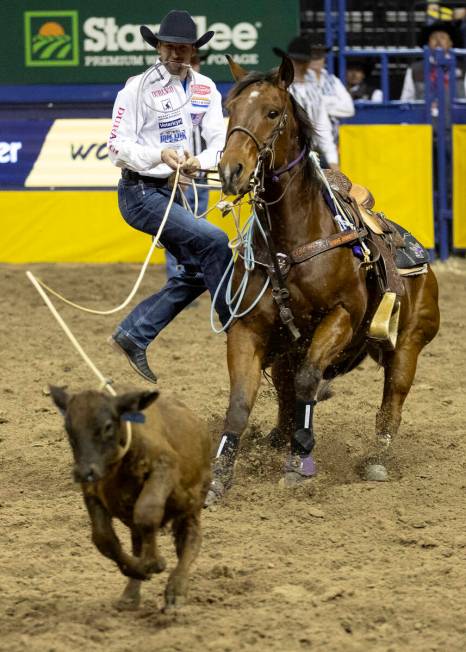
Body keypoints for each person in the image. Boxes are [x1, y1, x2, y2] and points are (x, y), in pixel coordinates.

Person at [107, 10, 231, 383]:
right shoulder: (136, 89)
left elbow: (220, 142)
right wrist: (159, 156)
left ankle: (134, 334)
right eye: (171, 47)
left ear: (194, 51)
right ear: (159, 48)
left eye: (184, 48)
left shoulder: (206, 88)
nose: (177, 54)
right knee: (216, 242)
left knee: (196, 271)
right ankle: (241, 331)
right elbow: (117, 146)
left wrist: (198, 160)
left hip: (178, 192)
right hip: (141, 192)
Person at [165, 50, 211, 280]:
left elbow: (210, 133)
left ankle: (195, 275)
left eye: (196, 61)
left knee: (199, 223)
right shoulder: (167, 92)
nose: (194, 65)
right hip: (178, 170)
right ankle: (178, 275)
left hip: (199, 169)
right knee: (177, 225)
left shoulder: (204, 91)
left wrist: (204, 162)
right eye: (191, 61)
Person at [273, 36, 339, 169]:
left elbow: (322, 125)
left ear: (308, 62)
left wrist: (333, 161)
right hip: (280, 154)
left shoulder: (314, 88)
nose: (299, 65)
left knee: (333, 187)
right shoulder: (277, 86)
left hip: (310, 153)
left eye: (302, 61)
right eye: (296, 61)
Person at [400, 20, 466, 106]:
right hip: (423, 118)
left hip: (456, 119)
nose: (438, 41)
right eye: (434, 37)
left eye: (442, 37)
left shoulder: (463, 69)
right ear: (428, 43)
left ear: (450, 43)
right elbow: (405, 102)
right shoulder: (414, 70)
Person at [307, 43, 355, 141]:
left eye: (320, 55)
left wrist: (322, 103)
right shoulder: (298, 81)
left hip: (332, 140)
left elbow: (349, 109)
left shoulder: (333, 81)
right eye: (313, 55)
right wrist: (333, 102)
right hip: (307, 140)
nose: (317, 59)